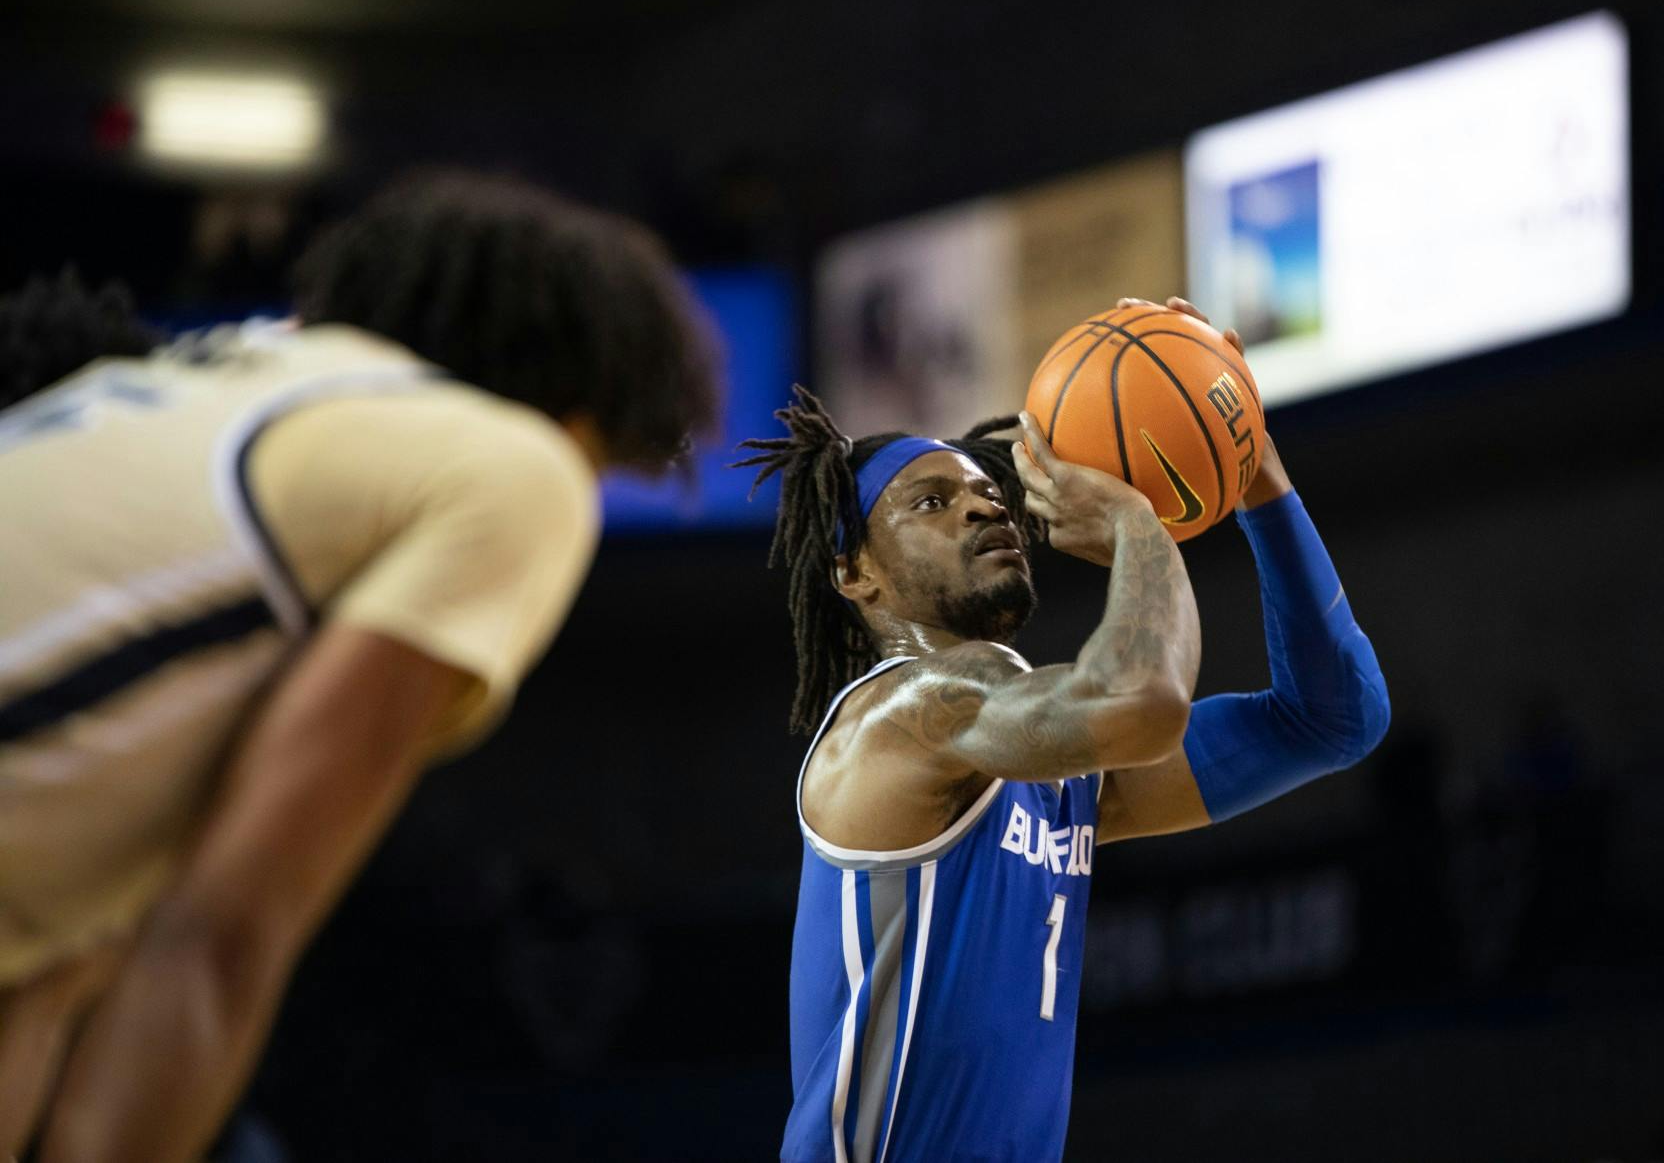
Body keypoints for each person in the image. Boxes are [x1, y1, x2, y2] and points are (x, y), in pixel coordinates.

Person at [0, 171, 720, 1163]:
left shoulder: (183, 385)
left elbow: (57, 966)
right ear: (576, 411)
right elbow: (217, 936)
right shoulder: (512, 465)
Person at [737, 297, 1390, 1163]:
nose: (982, 509)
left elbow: (1333, 717)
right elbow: (1144, 700)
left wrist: (1255, 475)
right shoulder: (903, 715)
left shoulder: (1046, 767)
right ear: (854, 572)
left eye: (989, 494)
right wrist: (1135, 522)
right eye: (931, 501)